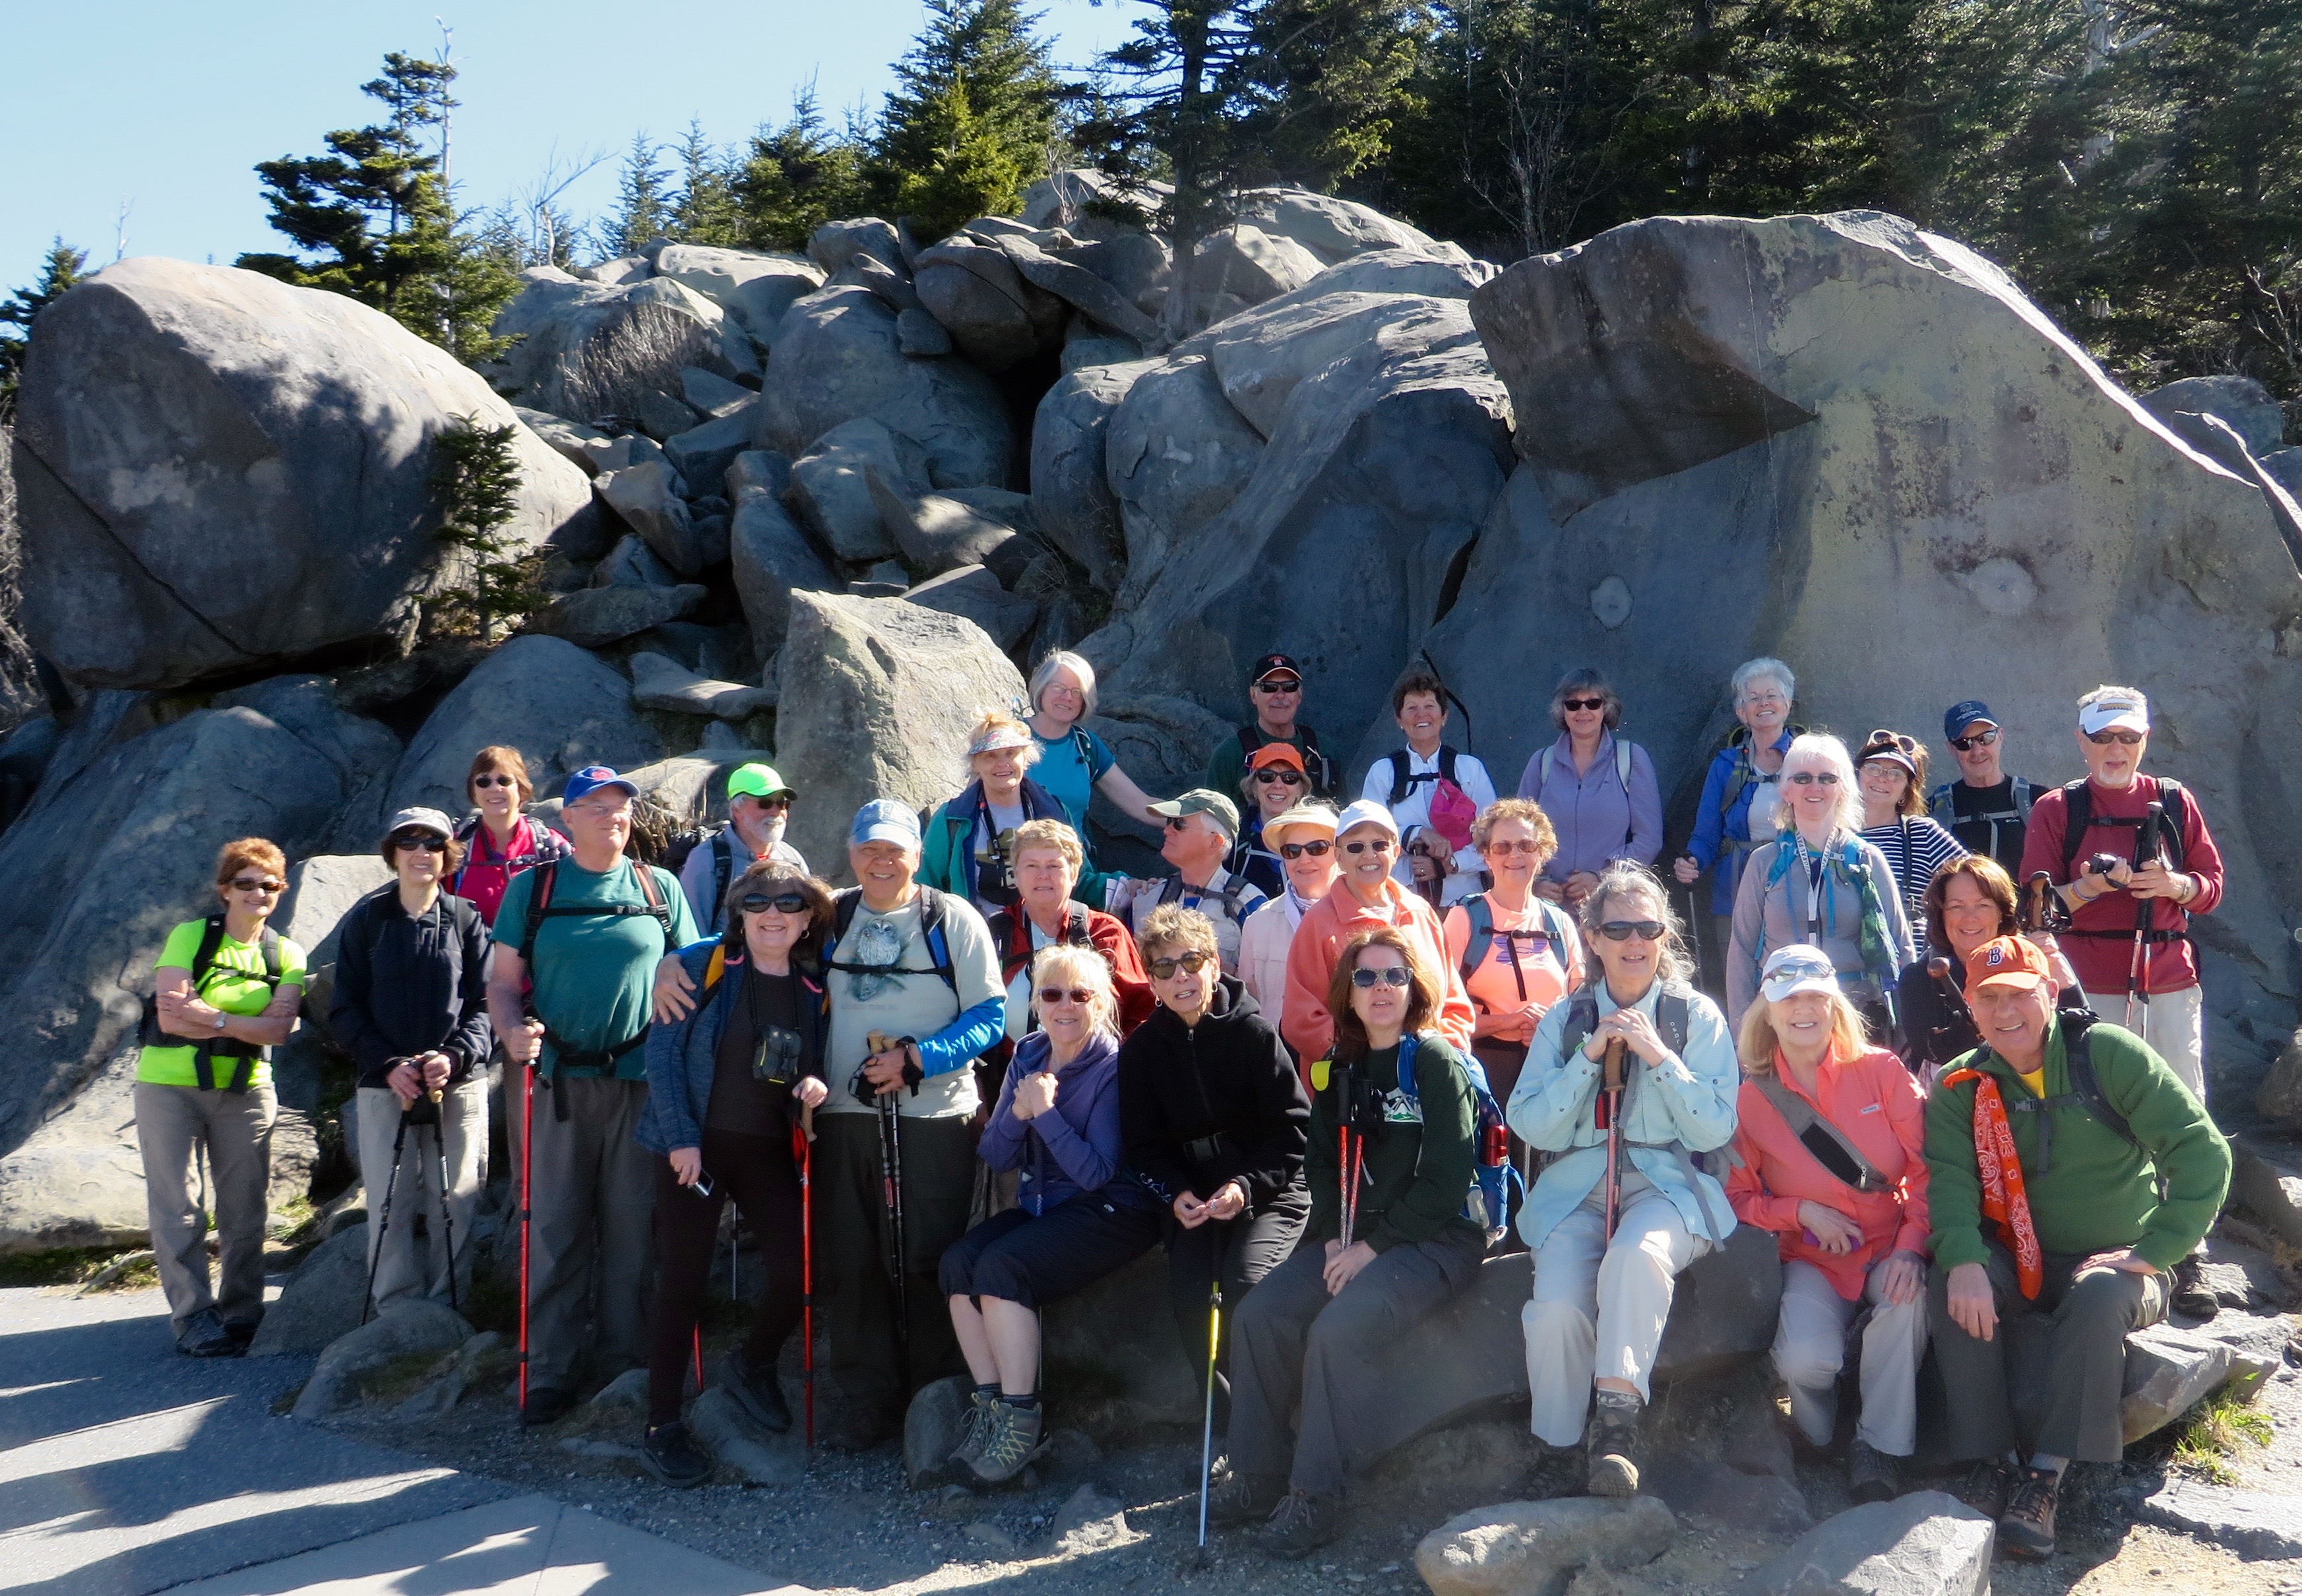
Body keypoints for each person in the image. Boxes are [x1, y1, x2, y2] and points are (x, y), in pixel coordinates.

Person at [1925, 935, 2229, 1560]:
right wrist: (1961, 1259)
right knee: (1950, 1280)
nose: (2005, 1010)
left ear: (2051, 992)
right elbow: (1951, 1183)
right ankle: (1992, 1459)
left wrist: (2156, 1250)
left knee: (2096, 1299)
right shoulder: (1962, 1084)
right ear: (1971, 1008)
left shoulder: (2108, 1055)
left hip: (2118, 1257)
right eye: (1989, 998)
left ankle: (2044, 1479)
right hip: (2016, 1252)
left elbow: (2203, 1152)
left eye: (2020, 993)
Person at [1211, 929, 1487, 1556]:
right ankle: (1255, 1475)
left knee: (1336, 1330)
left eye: (1394, 976)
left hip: (1437, 1239)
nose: (1381, 989)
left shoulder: (1435, 1062)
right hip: (1356, 1235)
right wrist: (1337, 1241)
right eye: (1366, 979)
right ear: (1349, 993)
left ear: (1414, 987)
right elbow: (1320, 1167)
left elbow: (1448, 1180)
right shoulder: (1342, 1067)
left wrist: (1374, 1247)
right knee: (1260, 1315)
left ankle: (1317, 1496)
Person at [1510, 863, 1739, 1496]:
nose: (1635, 941)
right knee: (1555, 1307)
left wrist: (1659, 1057)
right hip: (1576, 1187)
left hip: (1668, 1184)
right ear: (1594, 937)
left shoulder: (1697, 1018)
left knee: (1636, 1257)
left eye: (1648, 927)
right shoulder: (1567, 1019)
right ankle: (1556, 1447)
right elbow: (1532, 1125)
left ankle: (1615, 1428)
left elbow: (1714, 1130)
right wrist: (1588, 1059)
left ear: (1665, 936)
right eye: (1619, 928)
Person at [489, 766, 700, 1425]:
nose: (615, 815)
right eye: (600, 805)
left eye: (622, 806)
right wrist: (509, 1029)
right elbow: (501, 979)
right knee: (552, 1224)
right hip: (556, 1082)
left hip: (641, 1082)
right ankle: (549, 1369)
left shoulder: (658, 885)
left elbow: (695, 969)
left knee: (634, 1225)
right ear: (569, 817)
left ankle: (623, 1364)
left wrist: (674, 971)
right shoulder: (534, 888)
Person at [634, 861, 834, 1487]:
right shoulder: (702, 968)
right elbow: (662, 1062)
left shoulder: (814, 989)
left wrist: (814, 1084)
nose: (773, 913)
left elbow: (814, 1064)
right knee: (683, 1285)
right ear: (739, 912)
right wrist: (682, 1142)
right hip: (692, 1151)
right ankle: (661, 1425)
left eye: (789, 903)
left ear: (807, 920)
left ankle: (751, 1364)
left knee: (801, 1272)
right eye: (758, 902)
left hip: (766, 1150)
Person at [813, 799, 1006, 1446]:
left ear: (917, 854)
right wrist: (681, 957)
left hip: (935, 1114)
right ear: (851, 851)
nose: (881, 859)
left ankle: (936, 1390)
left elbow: (988, 1017)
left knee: (930, 1254)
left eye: (894, 848)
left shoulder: (951, 918)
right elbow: (755, 933)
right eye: (870, 847)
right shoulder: (829, 913)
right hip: (843, 1115)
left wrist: (916, 1059)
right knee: (852, 1255)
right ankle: (867, 1396)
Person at [942, 945, 1164, 1482]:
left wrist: (1044, 1113)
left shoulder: (1114, 1065)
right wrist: (1018, 1112)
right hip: (1044, 1205)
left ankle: (1022, 1422)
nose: (1066, 1006)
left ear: (1101, 1002)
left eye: (1080, 995)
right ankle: (991, 1408)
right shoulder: (1030, 1053)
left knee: (1003, 1269)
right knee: (958, 1264)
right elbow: (995, 1153)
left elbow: (1096, 1172)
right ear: (1037, 1003)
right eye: (1052, 994)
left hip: (1113, 1209)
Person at [1725, 948, 1929, 1504]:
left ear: (1835, 1004)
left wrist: (1912, 1247)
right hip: (1813, 1258)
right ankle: (1821, 1433)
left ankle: (1878, 1446)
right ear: (1767, 1011)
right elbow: (1736, 1196)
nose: (1804, 1009)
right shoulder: (1751, 1098)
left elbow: (1929, 1169)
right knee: (1805, 1364)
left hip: (1889, 1244)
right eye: (1789, 998)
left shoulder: (1883, 1072)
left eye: (1816, 995)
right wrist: (1798, 1212)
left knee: (1904, 1302)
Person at [1119, 905, 1311, 1433]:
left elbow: (1294, 1129)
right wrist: (1174, 1192)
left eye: (1191, 962)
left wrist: (1245, 1188)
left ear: (1215, 964)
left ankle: (1272, 1424)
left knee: (1247, 1289)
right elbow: (1142, 1146)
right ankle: (1225, 1427)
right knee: (1191, 1302)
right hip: (1195, 1197)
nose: (1180, 976)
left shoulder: (1252, 1033)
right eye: (1164, 968)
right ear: (1152, 980)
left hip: (1269, 1189)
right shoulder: (1140, 1053)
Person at [135, 838, 307, 1357]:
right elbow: (168, 1017)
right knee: (179, 1206)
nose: (258, 893)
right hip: (168, 1085)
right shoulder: (190, 936)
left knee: (244, 1210)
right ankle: (192, 1315)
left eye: (269, 884)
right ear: (225, 890)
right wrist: (243, 1026)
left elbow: (280, 1033)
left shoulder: (286, 953)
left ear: (282, 890)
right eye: (246, 883)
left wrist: (209, 1018)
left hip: (246, 1091)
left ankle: (242, 1314)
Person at [2019, 685, 2224, 1105]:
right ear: (2082, 740)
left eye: (2129, 737)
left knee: (2181, 1108)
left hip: (2170, 985)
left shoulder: (2175, 801)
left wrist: (2173, 885)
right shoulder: (2055, 808)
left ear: (2145, 739)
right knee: (2093, 1109)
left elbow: (2211, 887)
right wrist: (2089, 888)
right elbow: (2034, 910)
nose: (2117, 748)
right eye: (2102, 737)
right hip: (2082, 988)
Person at [332, 809, 493, 1316]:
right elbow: (344, 1008)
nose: (421, 851)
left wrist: (455, 1055)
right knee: (389, 1202)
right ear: (393, 853)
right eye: (409, 842)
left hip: (457, 1083)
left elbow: (489, 1004)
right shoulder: (367, 920)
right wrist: (388, 1064)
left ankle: (450, 1309)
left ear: (448, 855)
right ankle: (396, 1315)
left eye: (432, 843)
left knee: (458, 1201)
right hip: (385, 1087)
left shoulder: (466, 919)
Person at [1726, 733, 1915, 1031]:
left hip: (1856, 1019)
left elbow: (1901, 948)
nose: (1815, 787)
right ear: (1786, 790)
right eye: (1802, 778)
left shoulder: (1866, 859)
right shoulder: (1765, 862)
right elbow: (1741, 951)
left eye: (1827, 778)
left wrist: (1908, 1034)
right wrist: (1742, 1035)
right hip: (1780, 1016)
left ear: (1842, 789)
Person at [1280, 800, 1477, 1067]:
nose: (1369, 855)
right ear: (1339, 856)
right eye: (1355, 847)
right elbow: (1301, 1020)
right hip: (1352, 1090)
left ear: (1396, 852)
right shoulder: (1317, 923)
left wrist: (1441, 1055)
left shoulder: (1422, 913)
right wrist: (1373, 1059)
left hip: (1427, 1081)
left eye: (1379, 845)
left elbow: (1454, 1004)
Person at [1442, 800, 1584, 1109]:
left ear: (1542, 853)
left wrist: (1549, 1029)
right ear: (1486, 856)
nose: (1515, 855)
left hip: (1552, 1069)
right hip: (1484, 1071)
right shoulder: (1464, 919)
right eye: (1503, 847)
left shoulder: (1560, 923)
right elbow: (1440, 1015)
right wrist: (1512, 1021)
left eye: (1526, 845)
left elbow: (1582, 1008)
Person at [1897, 856, 2087, 1078]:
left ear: (2002, 913)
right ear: (1941, 915)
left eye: (1983, 905)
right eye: (1956, 906)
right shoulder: (1920, 976)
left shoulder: (2035, 965)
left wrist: (2067, 984)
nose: (1970, 918)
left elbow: (2084, 1036)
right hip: (1957, 1097)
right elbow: (1936, 1051)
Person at [1675, 658, 1800, 981]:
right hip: (1735, 890)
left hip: (1797, 884)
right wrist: (1692, 863)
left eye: (1771, 695)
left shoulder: (1806, 758)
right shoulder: (1726, 765)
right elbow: (1706, 834)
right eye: (1753, 698)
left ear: (1787, 704)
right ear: (1742, 712)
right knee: (1740, 980)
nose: (1763, 704)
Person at [985, 819, 1153, 1049]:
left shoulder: (1104, 933)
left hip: (1097, 1075)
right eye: (1032, 866)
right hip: (1009, 1075)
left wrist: (1117, 1066)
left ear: (1074, 875)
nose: (1043, 875)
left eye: (1054, 866)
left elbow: (1144, 1011)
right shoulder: (992, 933)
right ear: (1015, 874)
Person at [1515, 669, 1662, 907]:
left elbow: (1649, 839)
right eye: (1573, 704)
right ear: (1562, 710)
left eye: (1593, 703)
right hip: (1548, 909)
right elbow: (1517, 834)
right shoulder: (1541, 763)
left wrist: (1602, 878)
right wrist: (1536, 883)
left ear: (1606, 708)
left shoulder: (1631, 759)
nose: (1583, 711)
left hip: (1611, 905)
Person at [1022, 651, 1164, 875]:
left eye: (1077, 692)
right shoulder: (1010, 739)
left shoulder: (1086, 746)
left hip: (1072, 873)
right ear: (1041, 688)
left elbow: (1140, 804)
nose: (1067, 697)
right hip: (1017, 871)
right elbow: (972, 802)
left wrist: (1191, 821)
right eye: (1058, 687)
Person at [1362, 669, 1496, 904]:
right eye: (1411, 708)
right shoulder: (1383, 772)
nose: (1421, 714)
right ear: (1399, 720)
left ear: (1444, 716)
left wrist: (1450, 864)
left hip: (1466, 904)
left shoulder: (1469, 770)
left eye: (1429, 706)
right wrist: (1416, 834)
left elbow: (1493, 839)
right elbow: (1368, 835)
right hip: (1401, 902)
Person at [921, 714, 1073, 920]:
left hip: (1044, 933)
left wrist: (1125, 886)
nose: (1003, 763)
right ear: (975, 765)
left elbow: (1080, 877)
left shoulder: (1054, 812)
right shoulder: (950, 820)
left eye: (1011, 753)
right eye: (990, 756)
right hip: (973, 937)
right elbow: (925, 886)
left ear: (1025, 759)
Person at [1128, 790, 1268, 975]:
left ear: (1215, 843)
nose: (1167, 830)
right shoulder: (1146, 898)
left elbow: (1268, 983)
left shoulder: (1249, 903)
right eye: (1170, 822)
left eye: (1179, 824)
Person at [1236, 803, 1342, 1032]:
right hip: (1279, 1060)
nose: (1304, 859)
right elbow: (1250, 1002)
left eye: (1317, 848)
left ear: (1338, 852)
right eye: (1292, 851)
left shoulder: (1363, 916)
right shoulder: (1257, 923)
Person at [677, 762, 809, 936]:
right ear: (736, 810)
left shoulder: (792, 859)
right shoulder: (709, 859)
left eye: (783, 804)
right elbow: (691, 938)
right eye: (765, 803)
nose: (776, 811)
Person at [1855, 729, 1968, 925]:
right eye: (1874, 768)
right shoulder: (1833, 833)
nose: (1883, 778)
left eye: (1896, 774)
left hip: (1911, 954)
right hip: (1843, 955)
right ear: (1856, 775)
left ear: (1907, 790)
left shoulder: (1922, 833)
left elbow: (1980, 880)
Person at [447, 745, 570, 926]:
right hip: (471, 953)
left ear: (521, 788)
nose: (494, 788)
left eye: (504, 781)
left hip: (535, 953)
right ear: (473, 791)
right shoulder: (456, 848)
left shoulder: (551, 847)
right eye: (483, 782)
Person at [1928, 701, 2042, 875]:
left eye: (1986, 738)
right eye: (1964, 743)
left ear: (2001, 736)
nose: (1977, 751)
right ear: (1951, 749)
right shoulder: (1933, 812)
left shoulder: (2039, 801)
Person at [1205, 652, 1339, 800]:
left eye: (1289, 686)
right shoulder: (1230, 754)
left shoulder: (1324, 750)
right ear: (1253, 695)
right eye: (1269, 687)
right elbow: (1209, 819)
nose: (1280, 695)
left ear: (1300, 695)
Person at [1227, 741, 1311, 898]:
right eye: (1267, 777)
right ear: (1253, 787)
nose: (1278, 785)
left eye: (1289, 778)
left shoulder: (1321, 840)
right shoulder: (1233, 842)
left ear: (1301, 789)